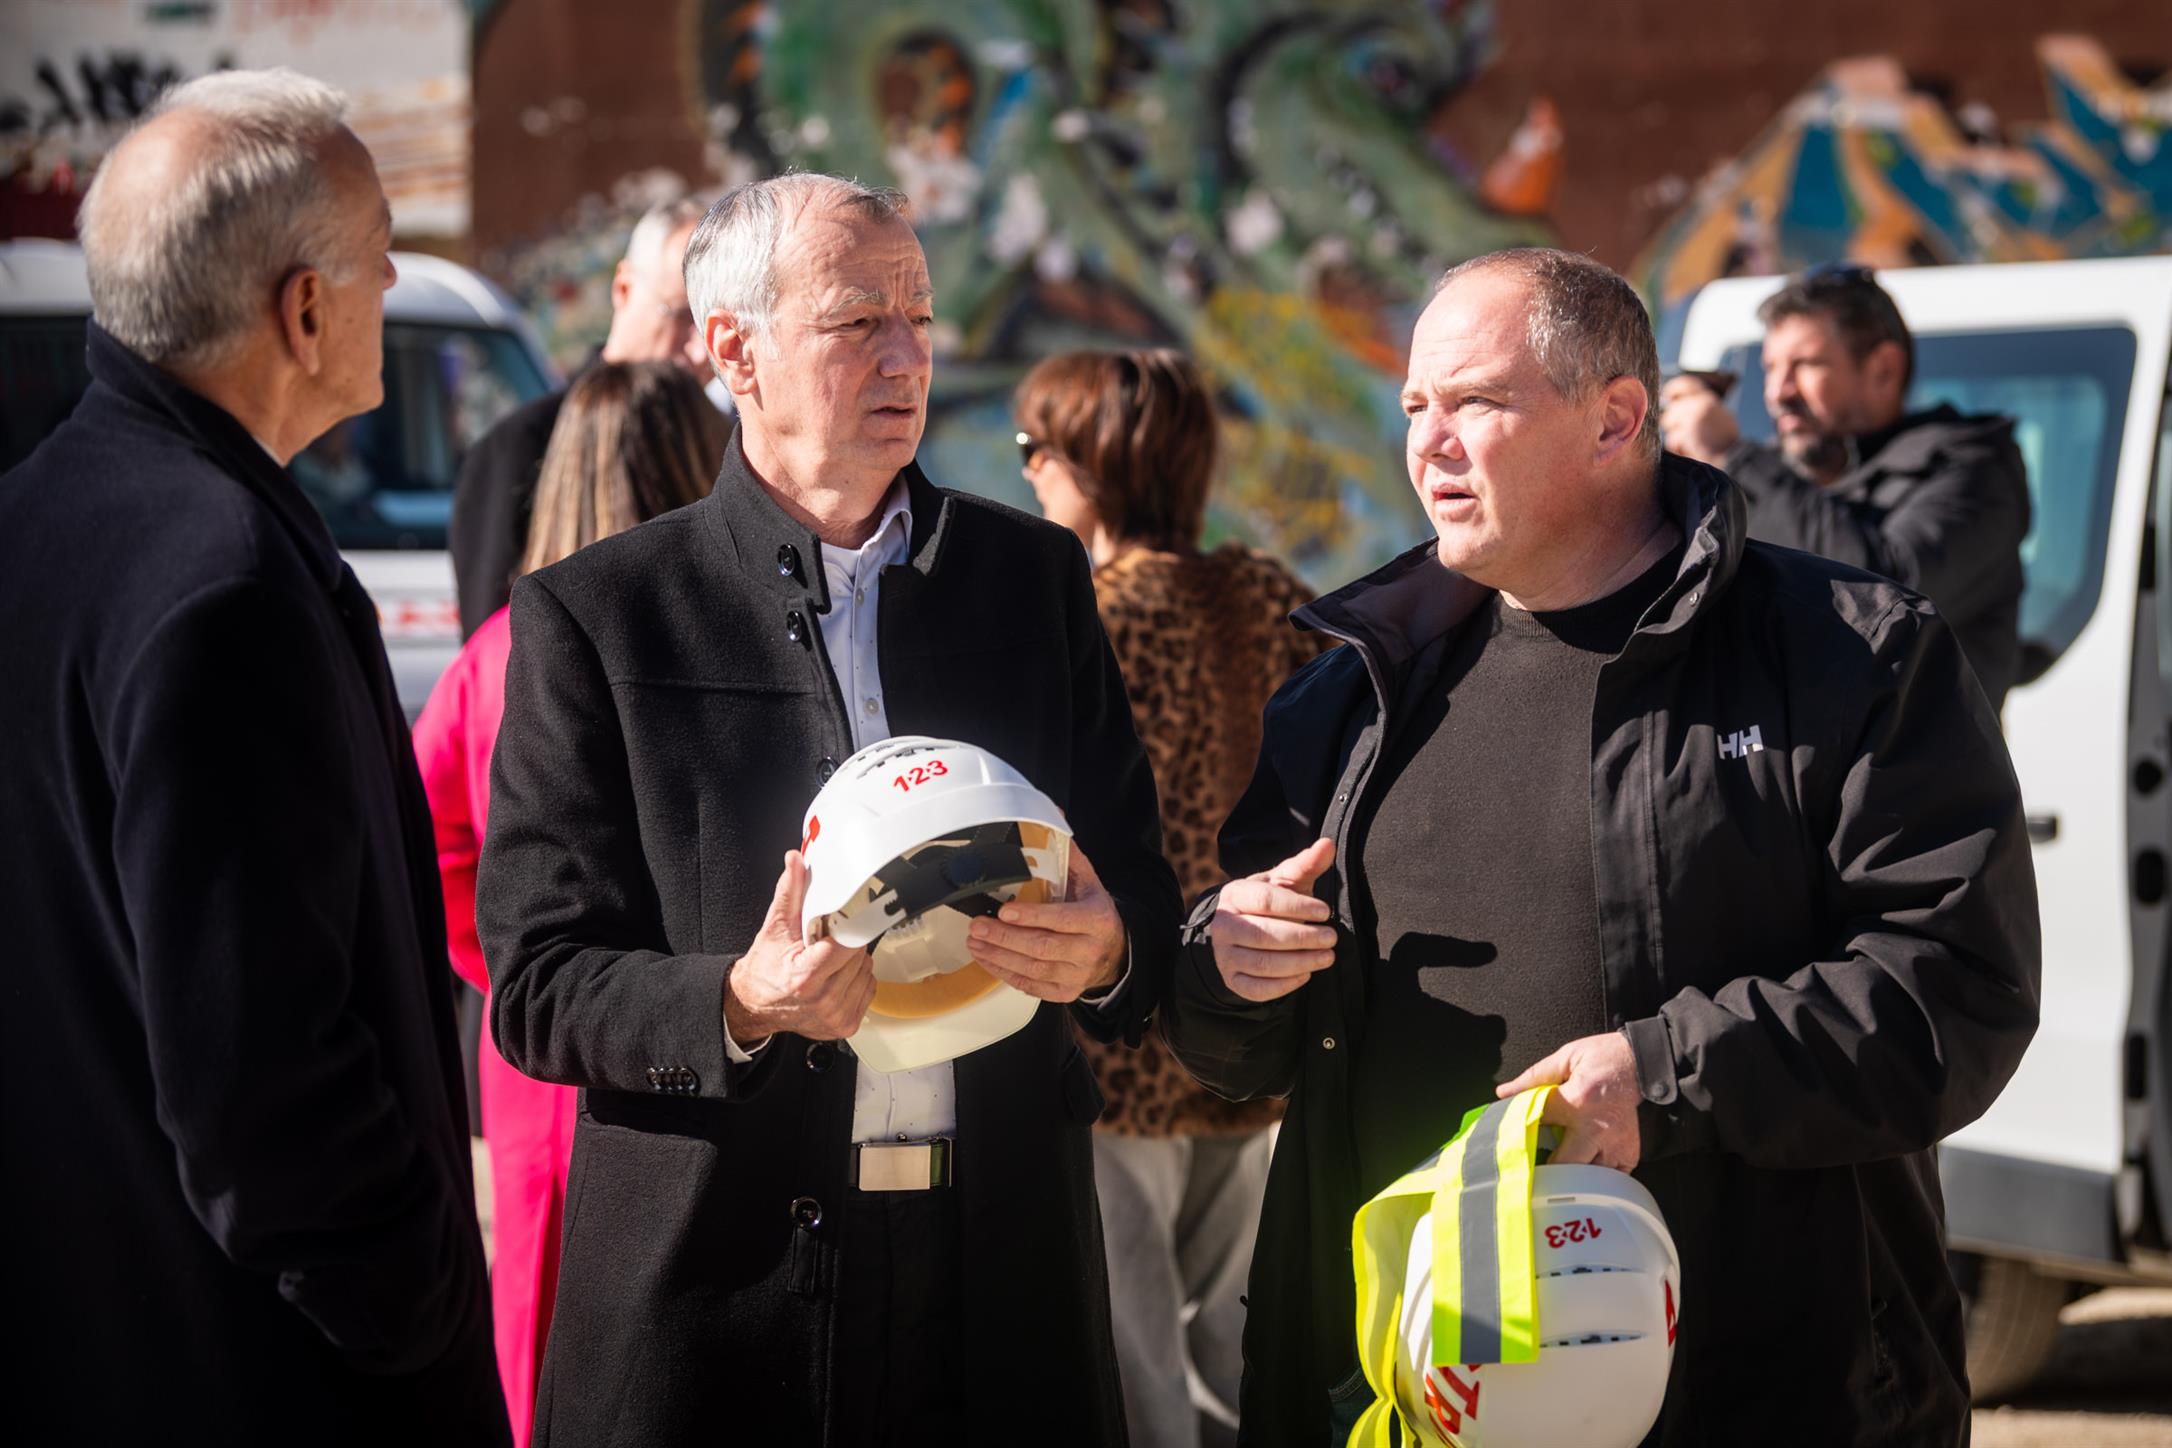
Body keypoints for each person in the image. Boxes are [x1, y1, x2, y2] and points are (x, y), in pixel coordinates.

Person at [1161, 248, 2040, 1446]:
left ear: (1617, 418)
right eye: (1415, 406)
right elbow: (1238, 1044)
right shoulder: (1351, 694)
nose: (1428, 443)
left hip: (1755, 1388)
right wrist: (1225, 964)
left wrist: (1660, 1075)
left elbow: (1956, 987)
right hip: (1407, 1394)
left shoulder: (1850, 652)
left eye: (1476, 401)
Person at [476, 173, 1182, 1445]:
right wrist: (741, 1000)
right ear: (733, 348)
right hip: (719, 1292)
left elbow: (1136, 885)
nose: (908, 357)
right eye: (860, 320)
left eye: (920, 316)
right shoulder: (601, 615)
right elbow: (538, 982)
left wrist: (1110, 947)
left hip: (998, 1278)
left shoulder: (1031, 581)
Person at [0, 70, 506, 1442]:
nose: (394, 277)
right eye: (381, 249)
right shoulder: (220, 585)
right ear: (305, 309)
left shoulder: (39, 513)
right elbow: (265, 1092)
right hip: (248, 1373)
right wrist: (420, 1317)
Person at [1013, 348, 1331, 1448]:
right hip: (1253, 1017)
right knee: (1239, 1351)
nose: (1026, 470)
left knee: (1134, 1364)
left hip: (1117, 1039)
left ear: (1093, 461)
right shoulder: (1276, 599)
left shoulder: (1086, 616)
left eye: (1037, 447)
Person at [414, 361, 726, 1445]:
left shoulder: (491, 654)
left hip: (537, 1060)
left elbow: (429, 841)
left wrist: (509, 960)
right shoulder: (703, 645)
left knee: (544, 1344)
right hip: (689, 1040)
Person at [1660, 263, 2031, 709]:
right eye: (1770, 368)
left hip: (1909, 753)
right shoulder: (1779, 477)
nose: (1777, 392)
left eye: (1805, 365)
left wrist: (1734, 458)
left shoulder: (1972, 471)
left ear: (1884, 370)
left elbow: (1882, 590)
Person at [448, 196, 713, 637]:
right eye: (684, 316)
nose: (703, 349)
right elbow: (490, 648)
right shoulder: (520, 446)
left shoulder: (732, 443)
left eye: (717, 323)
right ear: (624, 289)